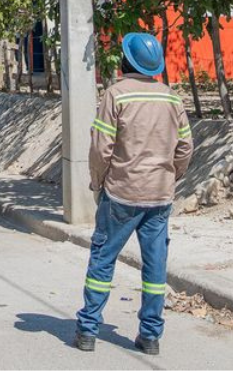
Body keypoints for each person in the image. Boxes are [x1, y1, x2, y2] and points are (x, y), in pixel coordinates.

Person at [74, 33, 193, 355]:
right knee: (155, 268)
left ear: (126, 61)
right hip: (159, 196)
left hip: (122, 194)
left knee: (103, 260)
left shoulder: (116, 95)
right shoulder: (172, 98)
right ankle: (151, 336)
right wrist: (171, 176)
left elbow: (101, 148)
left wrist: (98, 182)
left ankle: (88, 330)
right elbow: (185, 147)